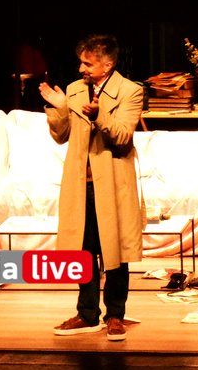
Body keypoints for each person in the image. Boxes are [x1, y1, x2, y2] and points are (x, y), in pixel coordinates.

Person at [39, 34, 143, 342]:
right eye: (81, 62)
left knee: (114, 250)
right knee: (83, 251)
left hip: (111, 183)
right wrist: (60, 109)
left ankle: (115, 314)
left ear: (107, 65)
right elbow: (61, 136)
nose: (81, 68)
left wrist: (99, 116)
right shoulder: (74, 89)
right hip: (80, 183)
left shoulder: (130, 90)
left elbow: (122, 135)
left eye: (88, 63)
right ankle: (87, 314)